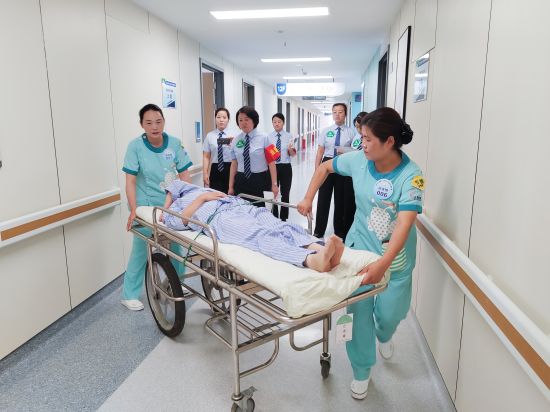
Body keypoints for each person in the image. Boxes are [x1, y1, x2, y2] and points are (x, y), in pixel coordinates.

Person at [297, 107, 423, 400]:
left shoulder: (411, 176)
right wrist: (307, 197)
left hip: (395, 257)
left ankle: (385, 333)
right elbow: (325, 167)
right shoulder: (358, 160)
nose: (362, 144)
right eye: (362, 138)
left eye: (367, 139)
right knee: (359, 311)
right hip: (359, 249)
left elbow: (404, 224)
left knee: (390, 315)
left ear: (389, 141)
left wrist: (383, 264)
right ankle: (362, 369)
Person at [163, 180, 344, 272]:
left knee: (279, 225)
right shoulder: (176, 206)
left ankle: (320, 249)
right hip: (221, 220)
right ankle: (311, 260)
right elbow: (177, 221)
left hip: (241, 206)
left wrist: (206, 193)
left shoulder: (202, 188)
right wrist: (200, 199)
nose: (180, 184)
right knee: (261, 235)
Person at [121, 103, 193, 311]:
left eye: (158, 121)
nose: (154, 126)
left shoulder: (175, 144)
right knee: (141, 249)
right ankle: (129, 294)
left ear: (164, 122)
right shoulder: (135, 147)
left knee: (177, 246)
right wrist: (134, 210)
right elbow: (130, 182)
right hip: (145, 205)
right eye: (149, 122)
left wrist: (187, 203)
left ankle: (176, 284)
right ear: (142, 125)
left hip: (170, 203)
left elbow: (185, 176)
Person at [313, 103, 356, 239]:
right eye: (335, 112)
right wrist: (317, 169)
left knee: (340, 199)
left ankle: (339, 231)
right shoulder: (326, 131)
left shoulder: (352, 132)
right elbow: (320, 151)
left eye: (340, 112)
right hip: (327, 163)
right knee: (323, 198)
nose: (337, 115)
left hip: (343, 165)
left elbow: (354, 151)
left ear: (345, 114)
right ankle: (319, 230)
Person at [228, 106, 279, 207]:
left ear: (254, 120)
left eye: (246, 119)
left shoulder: (265, 138)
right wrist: (230, 186)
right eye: (240, 120)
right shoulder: (236, 140)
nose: (243, 123)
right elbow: (234, 164)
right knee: (241, 210)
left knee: (260, 210)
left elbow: (272, 162)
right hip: (241, 180)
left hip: (260, 180)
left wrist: (274, 185)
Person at [268, 113, 296, 221]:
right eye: (274, 122)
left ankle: (284, 217)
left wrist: (290, 149)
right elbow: (267, 154)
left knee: (285, 193)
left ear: (283, 123)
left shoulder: (289, 136)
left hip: (285, 167)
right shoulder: (269, 137)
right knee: (273, 193)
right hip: (273, 167)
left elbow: (293, 154)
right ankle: (274, 216)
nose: (276, 124)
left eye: (279, 122)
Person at [202, 108, 234, 193]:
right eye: (218, 117)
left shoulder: (235, 134)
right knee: (215, 195)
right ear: (215, 119)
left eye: (224, 117)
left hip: (231, 167)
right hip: (215, 169)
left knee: (230, 195)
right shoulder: (210, 135)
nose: (221, 120)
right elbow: (206, 156)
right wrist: (205, 173)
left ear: (228, 119)